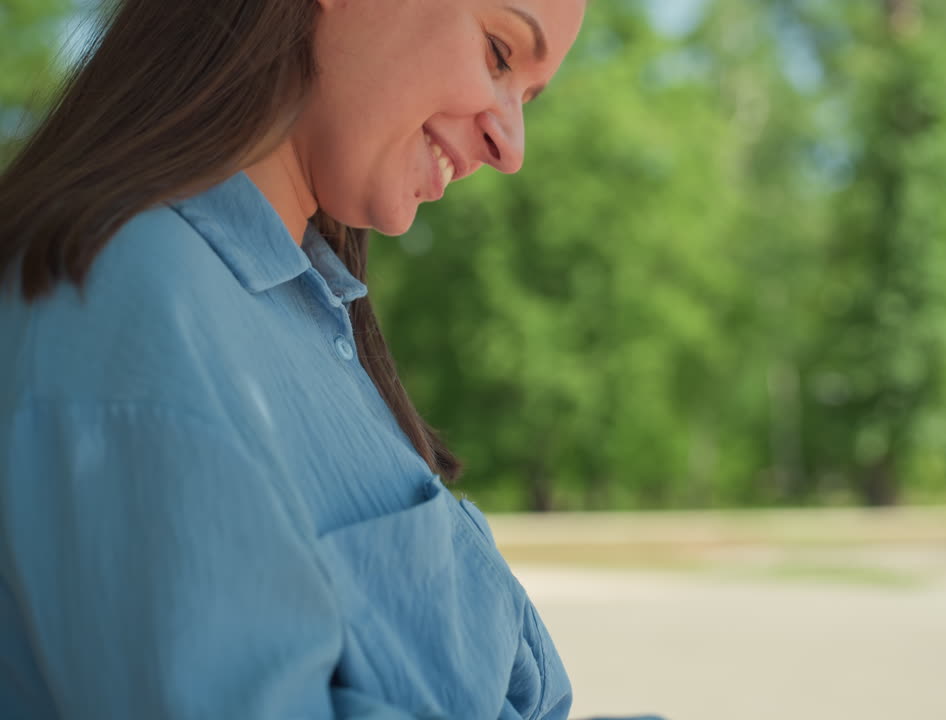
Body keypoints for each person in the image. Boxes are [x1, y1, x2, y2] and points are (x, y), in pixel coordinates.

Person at [0, 1, 610, 717]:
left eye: (529, 97)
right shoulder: (131, 305)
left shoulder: (302, 314)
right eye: (500, 54)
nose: (513, 146)